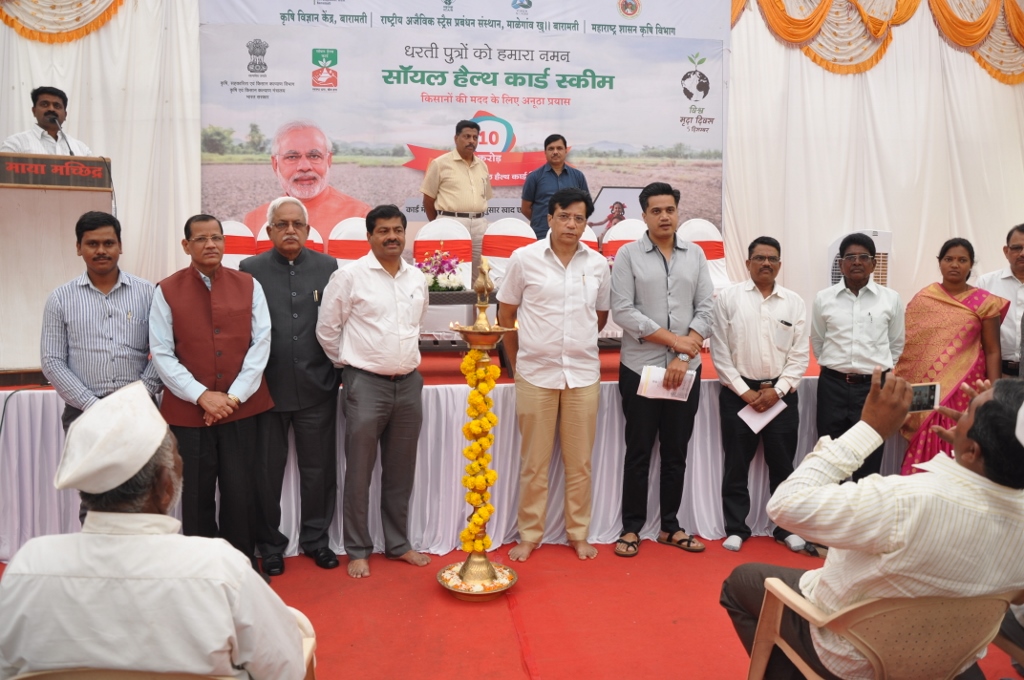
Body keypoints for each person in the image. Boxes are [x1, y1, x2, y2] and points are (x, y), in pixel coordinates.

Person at [720, 370, 1024, 680]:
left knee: (741, 582)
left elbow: (785, 504)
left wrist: (869, 430)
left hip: (856, 657)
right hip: (950, 659)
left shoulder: (907, 501)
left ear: (973, 451)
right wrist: (987, 447)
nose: (962, 413)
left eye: (969, 412)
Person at [0, 382, 312, 680]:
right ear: (165, 487)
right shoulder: (221, 569)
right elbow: (287, 669)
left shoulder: (28, 566)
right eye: (178, 457)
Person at [150, 214, 274, 573]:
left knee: (241, 490)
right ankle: (201, 570)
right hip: (189, 413)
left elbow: (261, 343)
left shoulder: (249, 284)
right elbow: (161, 353)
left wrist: (232, 397)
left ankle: (241, 567)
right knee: (195, 494)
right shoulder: (166, 290)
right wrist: (201, 396)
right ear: (186, 245)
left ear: (224, 242)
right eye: (201, 239)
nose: (210, 245)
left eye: (216, 238)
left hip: (242, 409)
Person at [316, 204, 432, 579]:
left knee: (401, 472)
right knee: (360, 471)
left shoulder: (417, 278)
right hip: (365, 385)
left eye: (398, 230)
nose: (392, 237)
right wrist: (353, 365)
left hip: (409, 384)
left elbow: (417, 325)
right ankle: (358, 548)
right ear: (369, 236)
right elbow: (327, 331)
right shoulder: (349, 277)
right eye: (383, 230)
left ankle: (398, 544)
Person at [497, 188, 610, 562]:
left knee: (580, 464)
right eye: (564, 216)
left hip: (582, 375)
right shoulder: (524, 259)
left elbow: (600, 317)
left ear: (586, 223)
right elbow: (506, 314)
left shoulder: (597, 264)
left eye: (579, 218)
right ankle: (530, 535)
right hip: (535, 374)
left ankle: (578, 533)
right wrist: (516, 364)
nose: (571, 225)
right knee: (534, 464)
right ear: (549, 218)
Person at [610, 181, 713, 557]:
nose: (664, 216)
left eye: (670, 209)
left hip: (685, 370)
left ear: (678, 212)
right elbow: (623, 311)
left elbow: (707, 308)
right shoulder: (627, 255)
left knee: (675, 452)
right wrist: (675, 342)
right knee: (638, 451)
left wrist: (683, 357)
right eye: (656, 211)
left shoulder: (695, 255)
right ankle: (631, 528)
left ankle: (671, 526)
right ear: (644, 216)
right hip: (640, 368)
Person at [239, 197, 340, 576]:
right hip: (267, 389)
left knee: (319, 471)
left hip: (317, 386)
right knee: (265, 474)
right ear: (269, 231)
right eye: (282, 224)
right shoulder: (250, 270)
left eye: (297, 224)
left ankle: (317, 540)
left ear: (309, 229)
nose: (290, 230)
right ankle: (270, 546)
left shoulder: (328, 267)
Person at [710, 236, 810, 554]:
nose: (766, 263)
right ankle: (736, 528)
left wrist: (777, 391)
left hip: (780, 396)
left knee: (782, 465)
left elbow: (800, 355)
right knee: (736, 464)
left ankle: (784, 528)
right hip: (739, 394)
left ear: (779, 264)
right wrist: (745, 392)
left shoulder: (794, 302)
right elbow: (720, 351)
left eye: (772, 258)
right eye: (759, 257)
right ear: (747, 262)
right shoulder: (728, 299)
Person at [41, 211, 161, 433]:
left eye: (108, 243)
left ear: (120, 246)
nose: (101, 251)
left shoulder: (148, 293)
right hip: (84, 413)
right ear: (79, 248)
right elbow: (52, 361)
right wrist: (93, 405)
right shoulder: (60, 299)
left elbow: (163, 350)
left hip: (141, 410)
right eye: (92, 244)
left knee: (146, 460)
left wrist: (140, 395)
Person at [895, 238, 1007, 475]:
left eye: (962, 260)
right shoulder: (924, 298)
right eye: (949, 259)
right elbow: (911, 348)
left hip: (965, 387)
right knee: (926, 434)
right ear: (940, 262)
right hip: (927, 388)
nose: (955, 265)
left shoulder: (986, 302)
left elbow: (993, 350)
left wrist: (993, 392)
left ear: (971, 265)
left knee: (962, 436)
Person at [810, 233, 904, 480]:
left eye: (864, 257)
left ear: (874, 263)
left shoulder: (890, 299)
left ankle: (864, 506)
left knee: (868, 460)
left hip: (873, 390)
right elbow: (818, 341)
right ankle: (834, 506)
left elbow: (896, 343)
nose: (857, 262)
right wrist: (837, 367)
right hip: (833, 387)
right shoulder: (823, 298)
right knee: (830, 459)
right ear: (841, 264)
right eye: (850, 257)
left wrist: (876, 373)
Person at [243, 120, 370, 238]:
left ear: (328, 160)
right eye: (292, 157)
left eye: (314, 156)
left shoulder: (360, 218)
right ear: (275, 164)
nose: (304, 167)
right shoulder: (254, 222)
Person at [420, 119, 494, 279]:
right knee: (451, 274)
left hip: (479, 226)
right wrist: (439, 225)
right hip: (451, 223)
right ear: (456, 138)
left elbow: (485, 196)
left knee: (479, 274)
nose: (471, 141)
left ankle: (476, 297)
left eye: (475, 137)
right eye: (467, 136)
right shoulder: (440, 163)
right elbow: (428, 199)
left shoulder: (482, 166)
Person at [520, 134, 591, 239]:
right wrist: (542, 222)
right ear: (545, 152)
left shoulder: (578, 176)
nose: (555, 152)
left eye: (559, 148)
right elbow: (525, 208)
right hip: (541, 235)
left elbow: (586, 206)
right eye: (551, 149)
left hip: (571, 234)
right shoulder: (534, 177)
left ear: (565, 151)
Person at [977, 223, 1024, 377]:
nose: (1022, 253)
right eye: (1017, 248)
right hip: (998, 373)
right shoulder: (986, 284)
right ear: (1006, 251)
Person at [1, 86, 93, 156]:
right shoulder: (16, 143)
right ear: (34, 111)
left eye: (57, 106)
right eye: (44, 104)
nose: (51, 109)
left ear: (65, 115)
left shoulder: (81, 149)